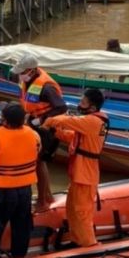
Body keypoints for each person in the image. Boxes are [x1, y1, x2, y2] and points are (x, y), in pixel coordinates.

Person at [43, 89, 108, 247]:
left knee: (82, 212)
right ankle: (77, 240)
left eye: (83, 103)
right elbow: (73, 137)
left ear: (92, 108)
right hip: (79, 173)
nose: (80, 105)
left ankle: (88, 245)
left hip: (85, 175)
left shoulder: (92, 122)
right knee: (72, 209)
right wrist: (55, 132)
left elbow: (67, 121)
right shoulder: (89, 124)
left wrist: (48, 121)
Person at [10, 54, 67, 212]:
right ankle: (46, 196)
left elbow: (61, 108)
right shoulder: (28, 80)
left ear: (31, 70)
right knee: (38, 163)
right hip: (34, 124)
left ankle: (43, 201)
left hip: (46, 129)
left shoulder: (47, 87)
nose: (19, 75)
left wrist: (41, 119)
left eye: (22, 72)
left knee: (39, 162)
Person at [0, 101, 39, 258]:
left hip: (4, 191)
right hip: (25, 190)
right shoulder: (34, 134)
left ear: (4, 120)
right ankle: (19, 257)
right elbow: (38, 151)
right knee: (22, 226)